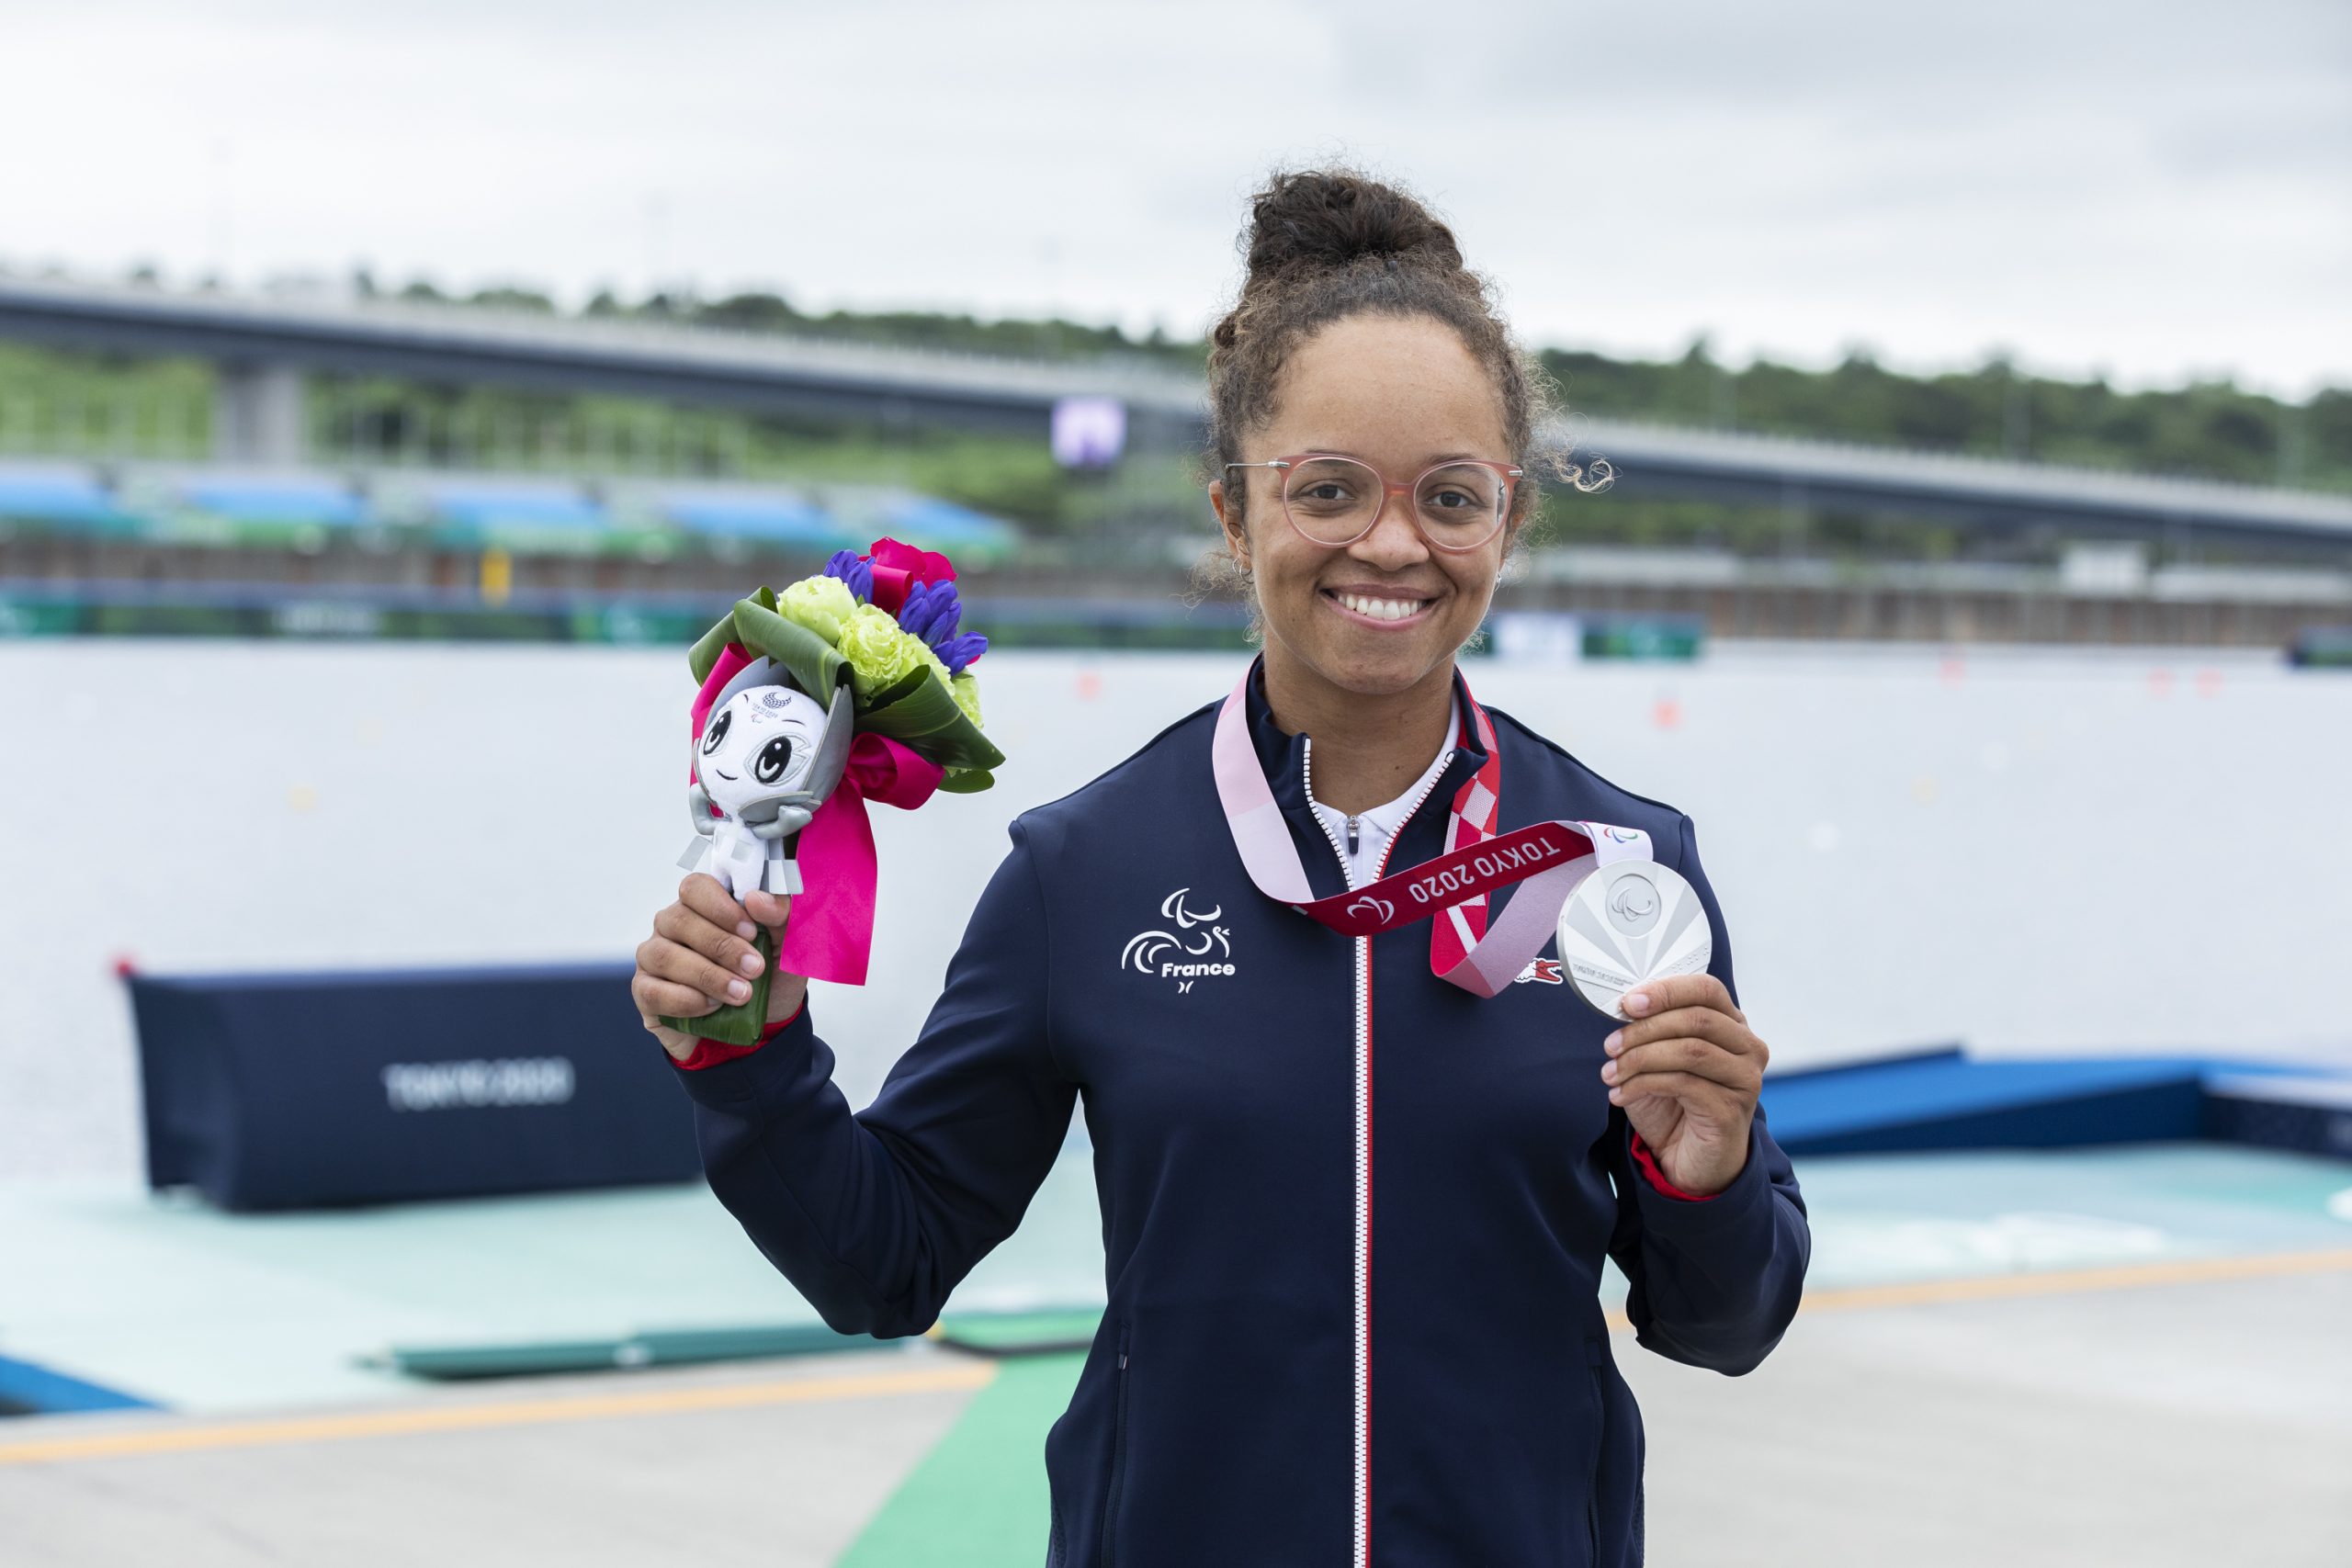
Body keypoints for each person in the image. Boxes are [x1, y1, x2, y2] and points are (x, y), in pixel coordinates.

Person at [630, 166, 1809, 1568]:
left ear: (1508, 522)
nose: (1392, 543)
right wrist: (749, 1062)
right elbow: (882, 1261)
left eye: (1450, 495)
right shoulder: (1088, 869)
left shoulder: (1620, 870)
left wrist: (1706, 1174)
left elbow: (1724, 1325)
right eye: (1327, 490)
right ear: (1237, 517)